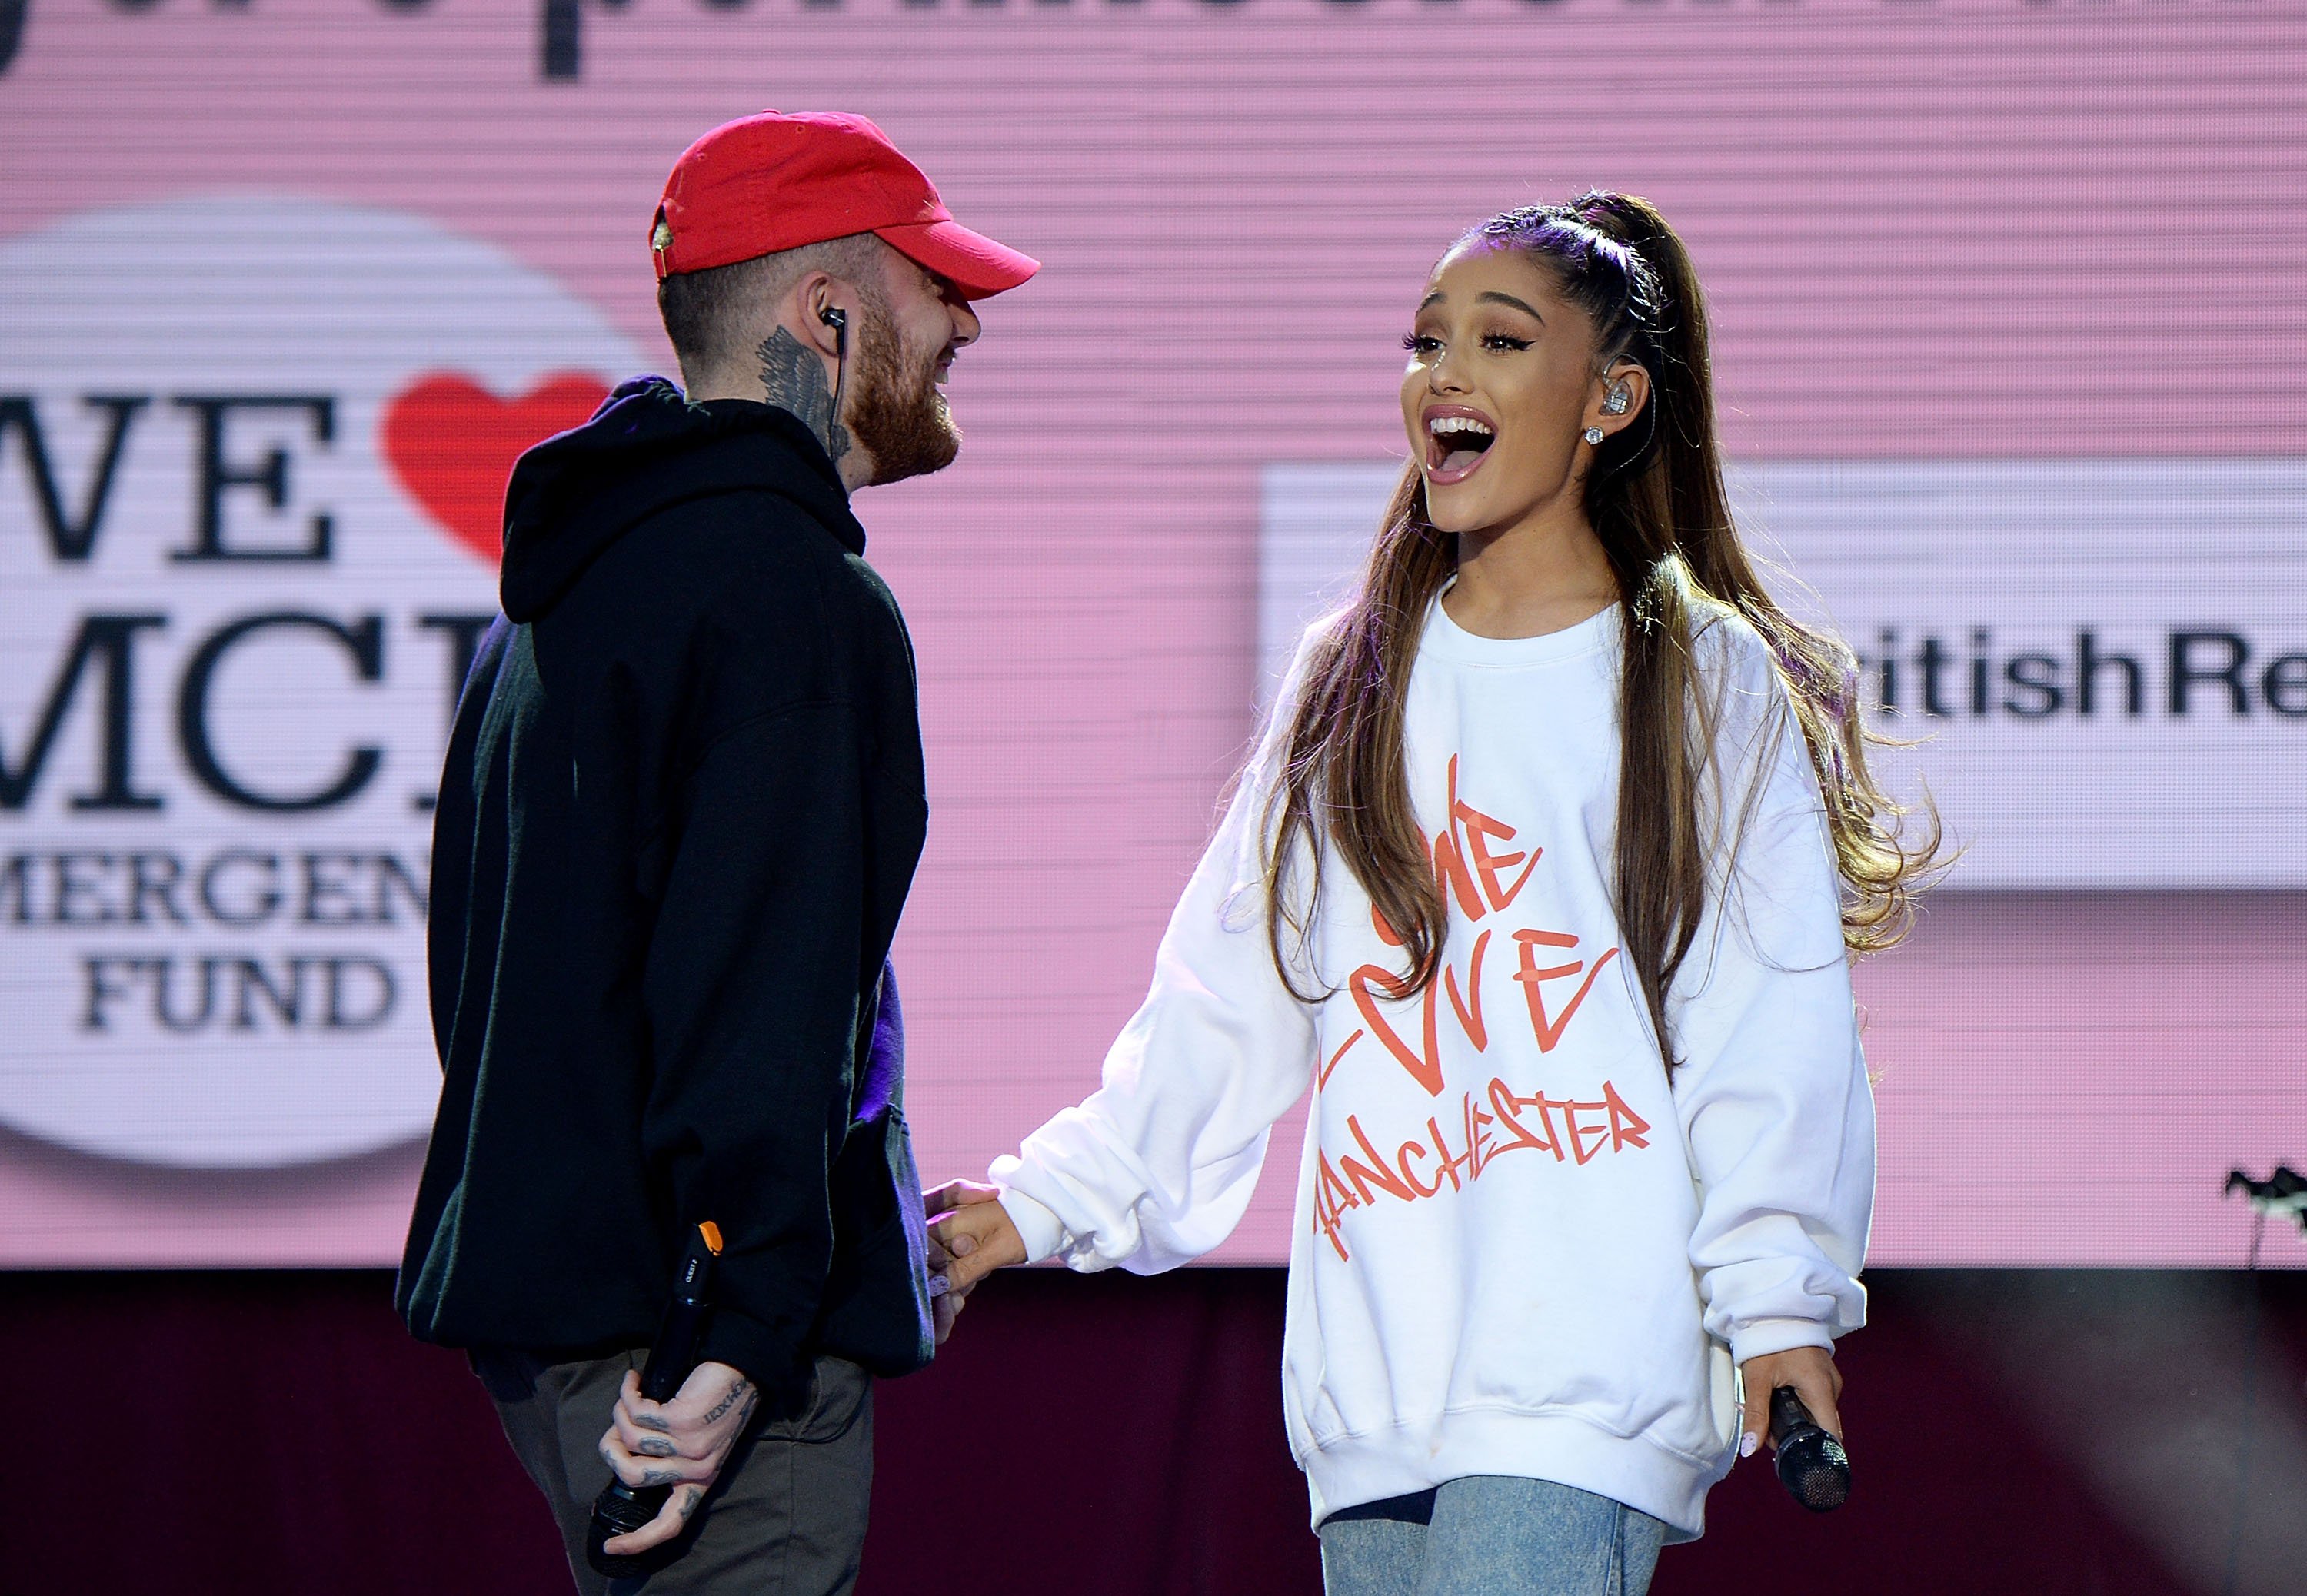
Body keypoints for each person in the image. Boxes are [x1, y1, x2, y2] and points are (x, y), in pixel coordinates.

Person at [926, 192, 1936, 1594]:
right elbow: (1232, 994)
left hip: (1584, 1377)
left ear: (1613, 399)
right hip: (1378, 1384)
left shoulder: (1703, 677)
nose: (1444, 375)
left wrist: (1778, 1300)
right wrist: (1047, 1201)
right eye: (1425, 341)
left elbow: (1767, 1024)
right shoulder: (1352, 670)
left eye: (1501, 342)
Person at [397, 111, 1036, 1595]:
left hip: (577, 1336)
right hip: (693, 1371)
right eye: (936, 284)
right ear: (827, 314)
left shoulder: (559, 594)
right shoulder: (790, 599)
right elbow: (765, 992)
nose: (967, 322)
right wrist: (743, 1326)